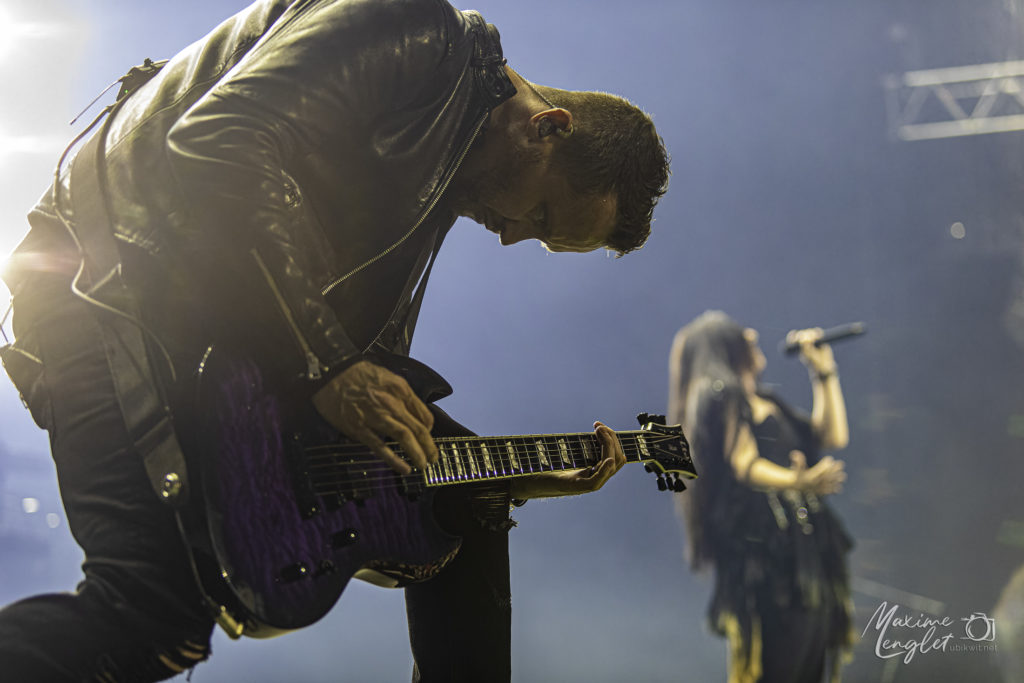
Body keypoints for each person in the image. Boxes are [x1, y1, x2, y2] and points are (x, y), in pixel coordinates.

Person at [0, 0, 670, 680]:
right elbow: (218, 138)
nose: (512, 234)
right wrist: (328, 363)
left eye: (542, 237)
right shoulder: (412, 27)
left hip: (203, 326)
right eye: (542, 213)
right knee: (149, 612)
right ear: (547, 129)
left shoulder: (450, 163)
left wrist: (508, 479)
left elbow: (367, 385)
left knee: (462, 511)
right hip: (99, 282)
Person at [668, 311, 853, 683]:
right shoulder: (721, 397)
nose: (751, 334)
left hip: (806, 555)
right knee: (779, 662)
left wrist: (823, 372)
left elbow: (832, 435)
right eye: (739, 334)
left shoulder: (767, 400)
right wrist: (797, 482)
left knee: (810, 658)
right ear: (725, 349)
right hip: (768, 561)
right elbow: (744, 462)